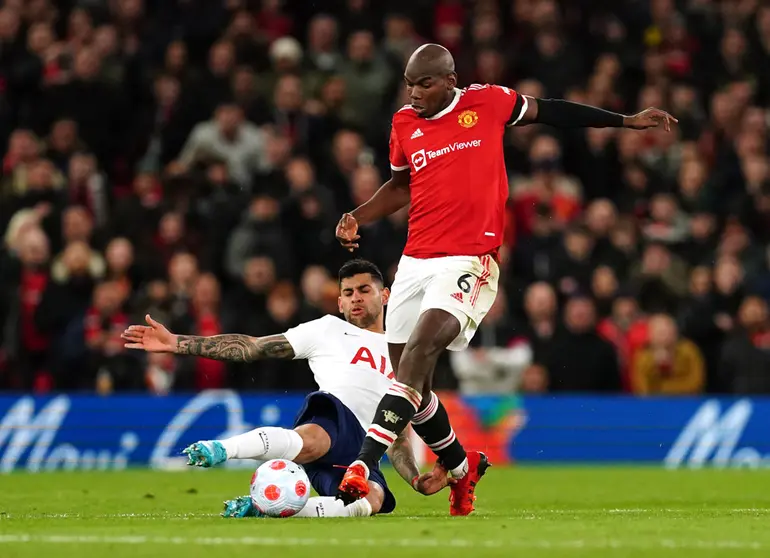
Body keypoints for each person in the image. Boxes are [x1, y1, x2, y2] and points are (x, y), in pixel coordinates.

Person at [335, 43, 677, 515]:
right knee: (411, 385)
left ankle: (362, 463)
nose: (414, 93)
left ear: (450, 80)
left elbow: (552, 112)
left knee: (419, 354)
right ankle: (461, 466)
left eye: (425, 83)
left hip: (469, 260)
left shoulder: (488, 102)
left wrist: (625, 120)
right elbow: (400, 185)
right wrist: (357, 215)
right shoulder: (403, 124)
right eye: (410, 83)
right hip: (414, 260)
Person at [121, 259, 450, 518]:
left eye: (364, 289)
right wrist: (178, 343)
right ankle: (222, 449)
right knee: (317, 437)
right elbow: (252, 347)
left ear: (386, 295)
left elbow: (399, 437)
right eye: (348, 293)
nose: (356, 298)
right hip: (334, 422)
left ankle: (265, 508)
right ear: (338, 302)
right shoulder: (326, 330)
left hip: (363, 454)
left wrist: (416, 480)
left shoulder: (405, 356)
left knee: (371, 502)